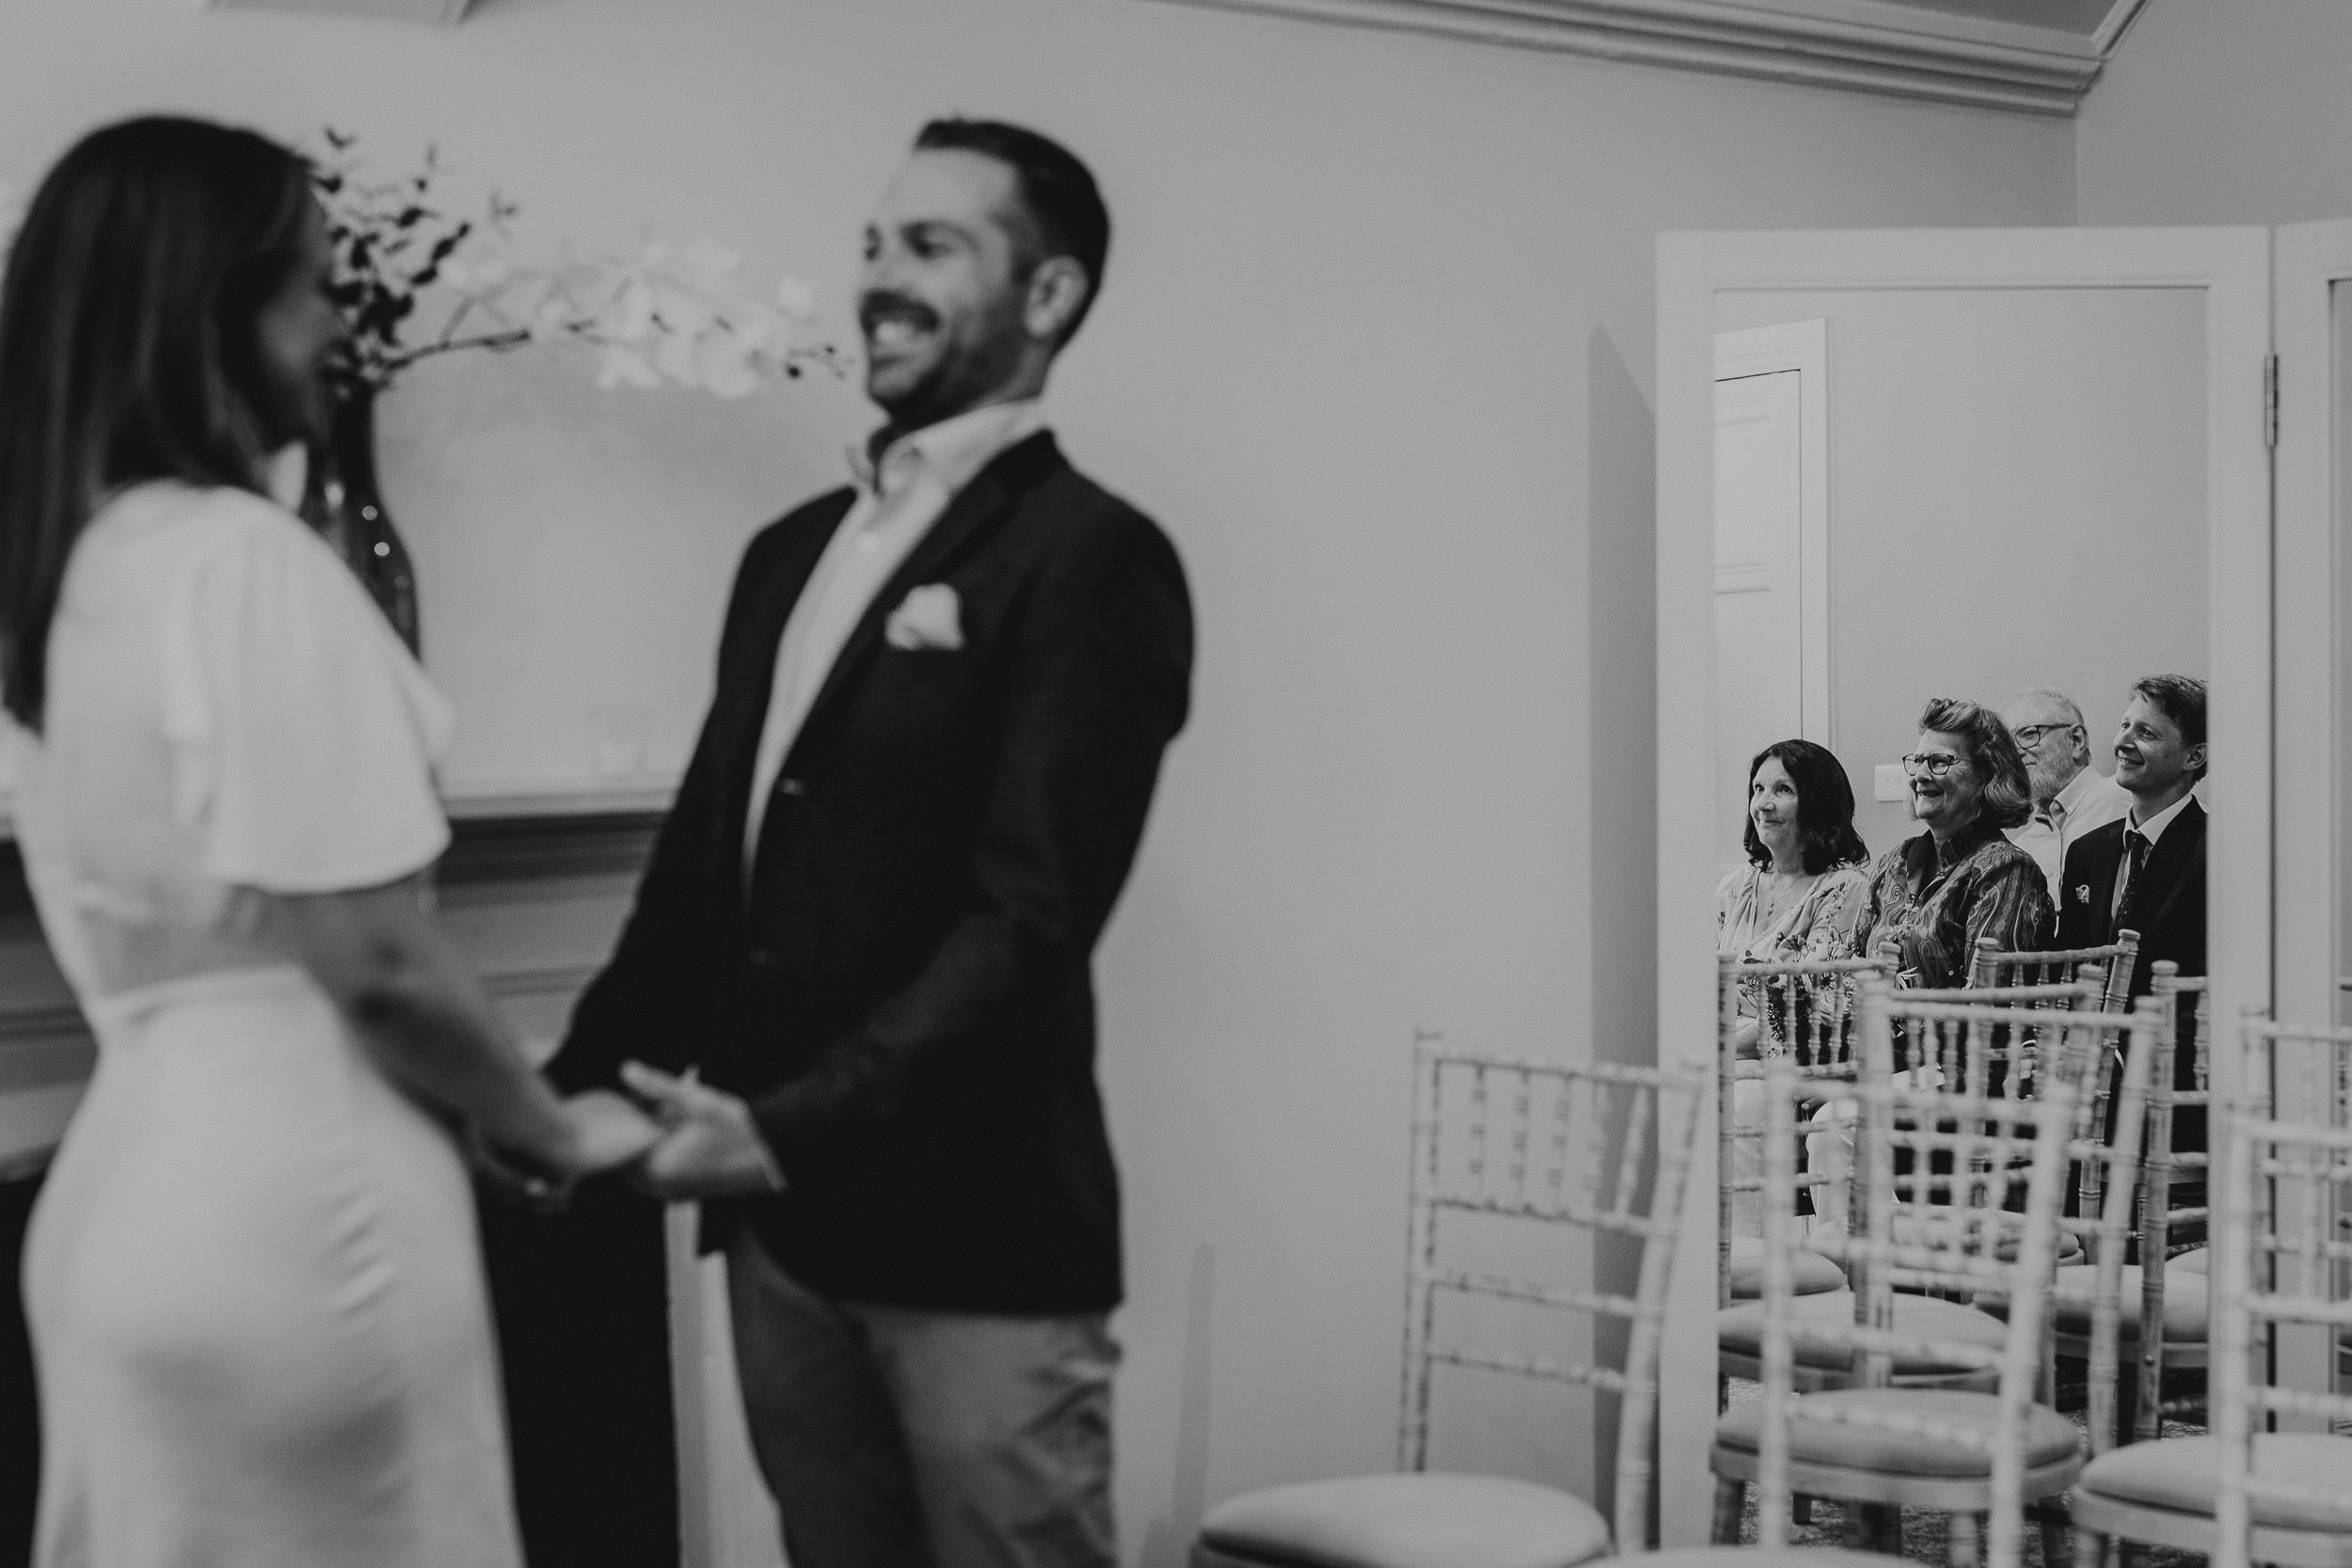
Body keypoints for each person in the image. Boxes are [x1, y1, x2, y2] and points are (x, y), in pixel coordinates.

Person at [0, 118, 657, 1568]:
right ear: (210, 313)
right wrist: (553, 1128)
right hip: (296, 1217)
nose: (340, 325)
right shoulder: (245, 564)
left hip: (124, 1196)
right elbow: (374, 961)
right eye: (311, 284)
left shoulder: (77, 578)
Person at [546, 119, 1193, 1568]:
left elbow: (1025, 923)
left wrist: (777, 1130)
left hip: (977, 1253)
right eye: (873, 244)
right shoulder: (789, 551)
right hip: (782, 1251)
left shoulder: (1092, 556)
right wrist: (562, 1103)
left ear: (1050, 296)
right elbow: (703, 874)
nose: (881, 279)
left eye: (934, 245)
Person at [2056, 676, 2208, 1184]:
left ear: (2194, 756)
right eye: (2124, 725)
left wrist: (2118, 1060)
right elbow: (2071, 964)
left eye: (2147, 733)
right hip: (2082, 1067)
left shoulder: (2214, 850)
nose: (2123, 741)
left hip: (2165, 1072)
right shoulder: (2088, 852)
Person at [1714, 739, 1868, 1233]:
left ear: (1817, 802)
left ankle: (1746, 1268)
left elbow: (1806, 1006)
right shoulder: (1735, 887)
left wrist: (1725, 1042)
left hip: (1791, 1058)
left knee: (1739, 1102)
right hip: (1725, 1049)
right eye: (1758, 788)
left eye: (1783, 789)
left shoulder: (1843, 888)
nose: (1764, 802)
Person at [1849, 697, 2053, 990]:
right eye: (1918, 761)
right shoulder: (1895, 861)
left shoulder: (2005, 869)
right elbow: (1851, 964)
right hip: (1872, 1031)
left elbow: (1987, 1002)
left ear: (1986, 777)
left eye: (1939, 762)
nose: (1920, 775)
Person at [2000, 686, 2130, 903]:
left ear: (2076, 740)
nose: (2017, 752)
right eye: (2008, 745)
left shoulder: (2129, 801)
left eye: (2029, 734)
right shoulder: (2022, 848)